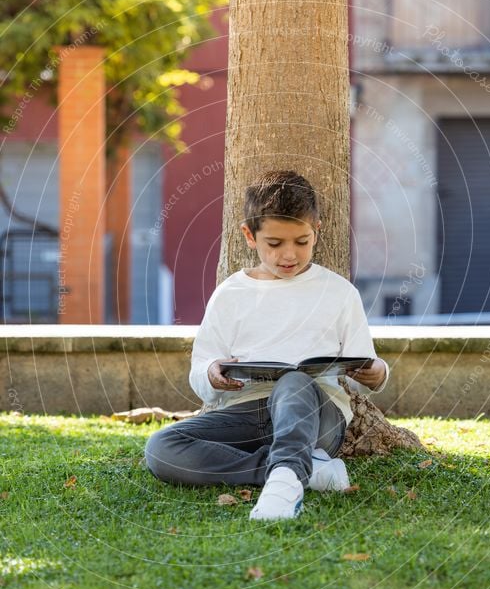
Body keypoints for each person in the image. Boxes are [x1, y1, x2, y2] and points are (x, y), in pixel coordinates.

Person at [145, 170, 389, 521]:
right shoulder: (231, 294)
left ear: (316, 231)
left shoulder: (338, 293)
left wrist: (376, 373)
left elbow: (363, 367)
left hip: (316, 418)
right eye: (275, 244)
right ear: (249, 235)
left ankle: (285, 486)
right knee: (162, 449)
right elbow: (202, 368)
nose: (289, 254)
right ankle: (298, 469)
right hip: (246, 415)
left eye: (302, 242)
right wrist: (212, 375)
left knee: (293, 381)